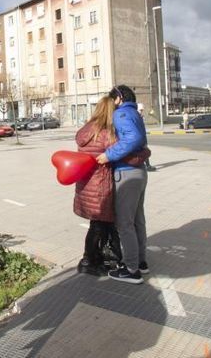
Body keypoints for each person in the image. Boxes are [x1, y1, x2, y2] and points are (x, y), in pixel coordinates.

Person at [74, 97, 149, 276]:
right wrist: (145, 152)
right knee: (101, 224)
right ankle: (89, 261)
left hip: (87, 184)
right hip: (101, 185)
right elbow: (126, 155)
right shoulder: (106, 134)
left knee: (98, 224)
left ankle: (98, 258)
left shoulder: (86, 129)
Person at [97, 85, 150, 284]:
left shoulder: (121, 114)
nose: (112, 103)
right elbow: (141, 139)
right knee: (138, 220)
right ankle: (141, 262)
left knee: (124, 224)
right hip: (139, 172)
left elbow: (134, 138)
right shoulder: (135, 113)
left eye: (113, 99)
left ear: (119, 97)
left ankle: (131, 269)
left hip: (126, 174)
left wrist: (108, 154)